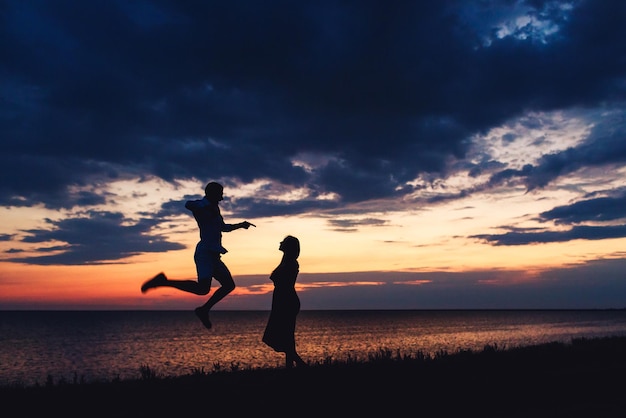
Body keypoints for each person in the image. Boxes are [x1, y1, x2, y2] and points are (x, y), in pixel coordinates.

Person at [141, 181, 255, 330]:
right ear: (212, 194)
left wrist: (240, 225)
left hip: (214, 254)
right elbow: (188, 204)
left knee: (228, 285)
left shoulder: (215, 208)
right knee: (203, 289)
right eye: (220, 194)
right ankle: (164, 282)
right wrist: (207, 206)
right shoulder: (201, 205)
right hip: (205, 254)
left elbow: (223, 227)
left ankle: (204, 309)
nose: (221, 198)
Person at [262, 235, 307, 368]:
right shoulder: (286, 262)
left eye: (283, 242)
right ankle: (290, 366)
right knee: (287, 336)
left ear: (288, 247)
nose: (280, 242)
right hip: (283, 300)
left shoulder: (291, 263)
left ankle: (300, 364)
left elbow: (279, 280)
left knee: (285, 335)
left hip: (286, 301)